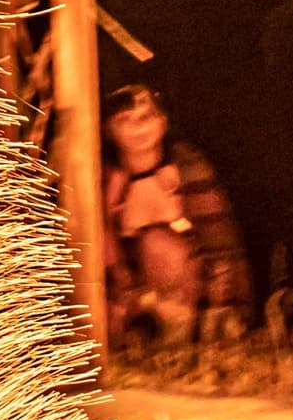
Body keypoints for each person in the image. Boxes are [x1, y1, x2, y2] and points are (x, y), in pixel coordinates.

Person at [101, 84, 252, 345]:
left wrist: (221, 308)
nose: (138, 128)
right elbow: (106, 262)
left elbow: (222, 248)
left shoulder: (188, 172)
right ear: (109, 130)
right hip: (137, 311)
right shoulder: (107, 186)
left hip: (197, 306)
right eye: (125, 120)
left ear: (163, 121)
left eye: (146, 117)